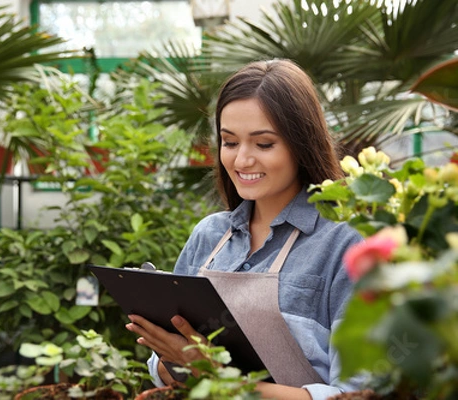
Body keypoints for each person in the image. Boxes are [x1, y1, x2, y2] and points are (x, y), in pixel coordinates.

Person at [125, 59, 365, 400]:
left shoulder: (345, 245)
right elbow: (161, 370)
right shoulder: (208, 236)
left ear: (302, 143)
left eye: (264, 144)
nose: (241, 161)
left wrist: (216, 377)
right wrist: (174, 358)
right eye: (230, 142)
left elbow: (359, 394)